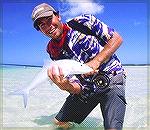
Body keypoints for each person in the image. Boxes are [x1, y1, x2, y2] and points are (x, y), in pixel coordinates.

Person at [31, 3, 127, 130]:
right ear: (40, 30)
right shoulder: (52, 50)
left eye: (49, 19)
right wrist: (67, 86)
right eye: (42, 25)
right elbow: (76, 86)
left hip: (111, 78)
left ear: (58, 16)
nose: (48, 26)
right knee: (59, 123)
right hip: (86, 89)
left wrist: (96, 61)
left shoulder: (83, 22)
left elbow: (117, 39)